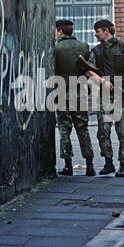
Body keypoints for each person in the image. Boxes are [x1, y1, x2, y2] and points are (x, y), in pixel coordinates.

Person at [86, 19, 124, 178]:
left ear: (106, 31)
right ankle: (108, 162)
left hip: (122, 93)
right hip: (104, 94)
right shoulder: (96, 51)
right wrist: (102, 81)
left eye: (97, 31)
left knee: (122, 130)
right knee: (103, 131)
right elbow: (89, 71)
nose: (95, 34)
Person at [54, 19, 96, 176]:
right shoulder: (84, 47)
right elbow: (90, 70)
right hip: (79, 94)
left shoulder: (55, 48)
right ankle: (90, 165)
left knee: (64, 129)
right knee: (83, 128)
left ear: (60, 31)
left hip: (61, 94)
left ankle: (68, 165)